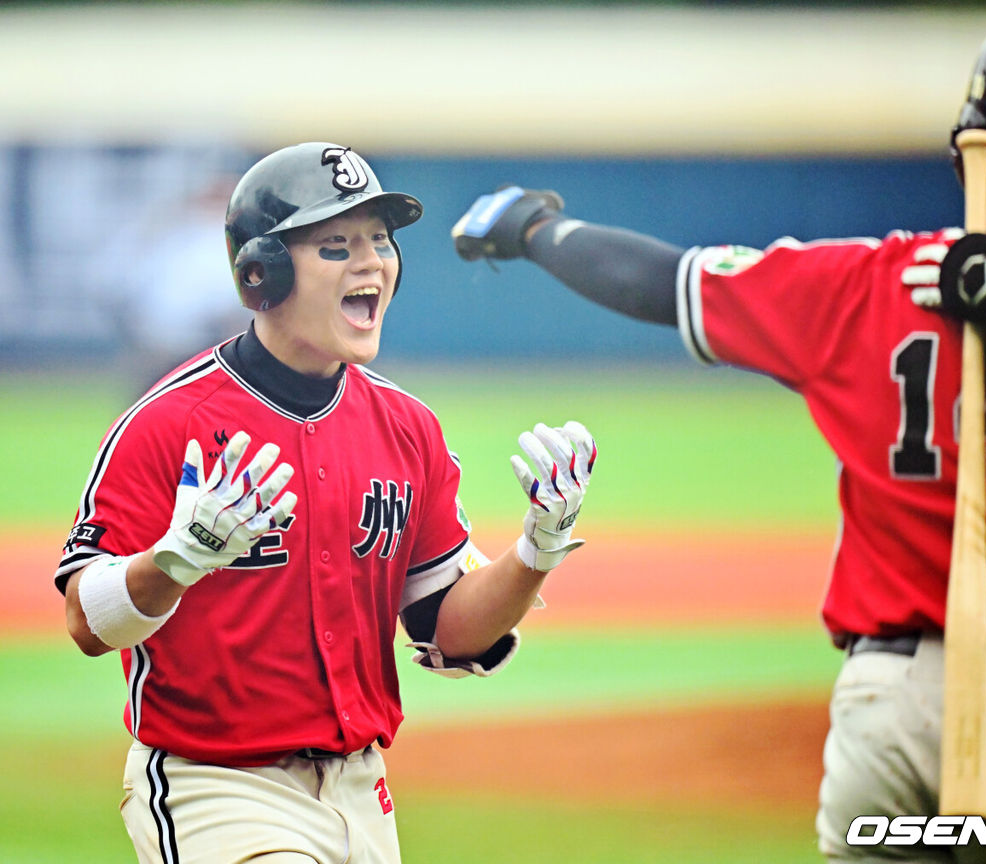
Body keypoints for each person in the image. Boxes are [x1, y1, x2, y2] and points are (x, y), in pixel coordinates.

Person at [450, 14, 986, 863]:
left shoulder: (863, 284)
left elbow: (663, 282)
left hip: (889, 716)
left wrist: (535, 231)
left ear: (966, 149)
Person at [56, 141, 597, 864]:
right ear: (263, 272)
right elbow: (86, 622)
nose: (371, 262)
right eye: (337, 246)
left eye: (380, 241)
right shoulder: (168, 423)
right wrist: (170, 563)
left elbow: (445, 626)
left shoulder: (409, 430)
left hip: (363, 794)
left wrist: (536, 551)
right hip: (216, 788)